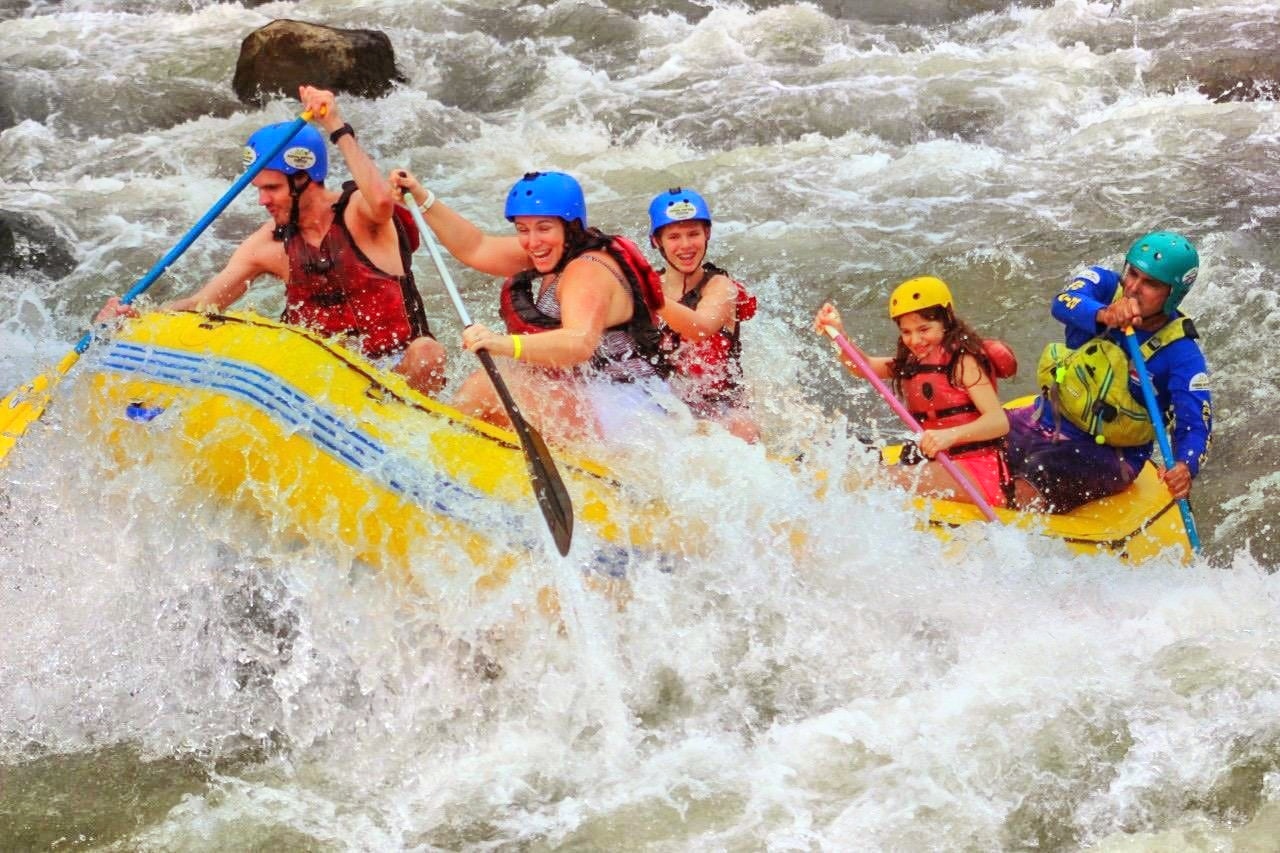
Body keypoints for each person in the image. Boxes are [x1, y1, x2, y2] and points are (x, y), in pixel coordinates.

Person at [97, 86, 447, 396]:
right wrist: (134, 318)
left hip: (393, 375)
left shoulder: (359, 215)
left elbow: (383, 201)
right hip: (321, 380)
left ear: (306, 179)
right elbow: (203, 304)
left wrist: (336, 126)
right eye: (259, 189)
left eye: (272, 188)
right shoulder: (266, 245)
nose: (263, 201)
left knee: (428, 353)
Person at [391, 168, 680, 442]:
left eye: (544, 228)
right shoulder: (550, 252)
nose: (532, 241)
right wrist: (421, 197)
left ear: (571, 227)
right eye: (522, 229)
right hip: (595, 396)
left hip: (630, 411)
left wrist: (502, 343)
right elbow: (475, 247)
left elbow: (580, 343)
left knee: (486, 387)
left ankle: (437, 456)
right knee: (508, 382)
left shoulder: (587, 271)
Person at [1007, 231, 1212, 512]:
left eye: (1150, 283)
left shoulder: (1182, 355)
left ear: (1173, 295)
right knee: (972, 438)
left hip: (1110, 456)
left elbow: (1195, 426)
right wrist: (1104, 314)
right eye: (1133, 273)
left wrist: (1184, 467)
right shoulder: (1102, 284)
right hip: (1047, 418)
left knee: (1037, 470)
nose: (1133, 287)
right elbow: (1063, 301)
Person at [814, 276, 1016, 508]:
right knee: (860, 468)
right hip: (940, 462)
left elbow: (998, 422)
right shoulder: (913, 363)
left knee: (874, 479)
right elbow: (864, 367)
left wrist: (950, 435)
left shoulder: (964, 362)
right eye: (906, 332)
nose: (915, 340)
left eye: (924, 329)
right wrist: (838, 335)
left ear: (946, 320)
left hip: (980, 472)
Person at [647, 187, 760, 443]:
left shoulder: (721, 287)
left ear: (706, 234)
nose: (686, 245)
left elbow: (700, 328)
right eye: (674, 236)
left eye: (693, 234)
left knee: (743, 430)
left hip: (723, 408)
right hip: (666, 404)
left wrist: (647, 295)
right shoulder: (648, 285)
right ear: (657, 241)